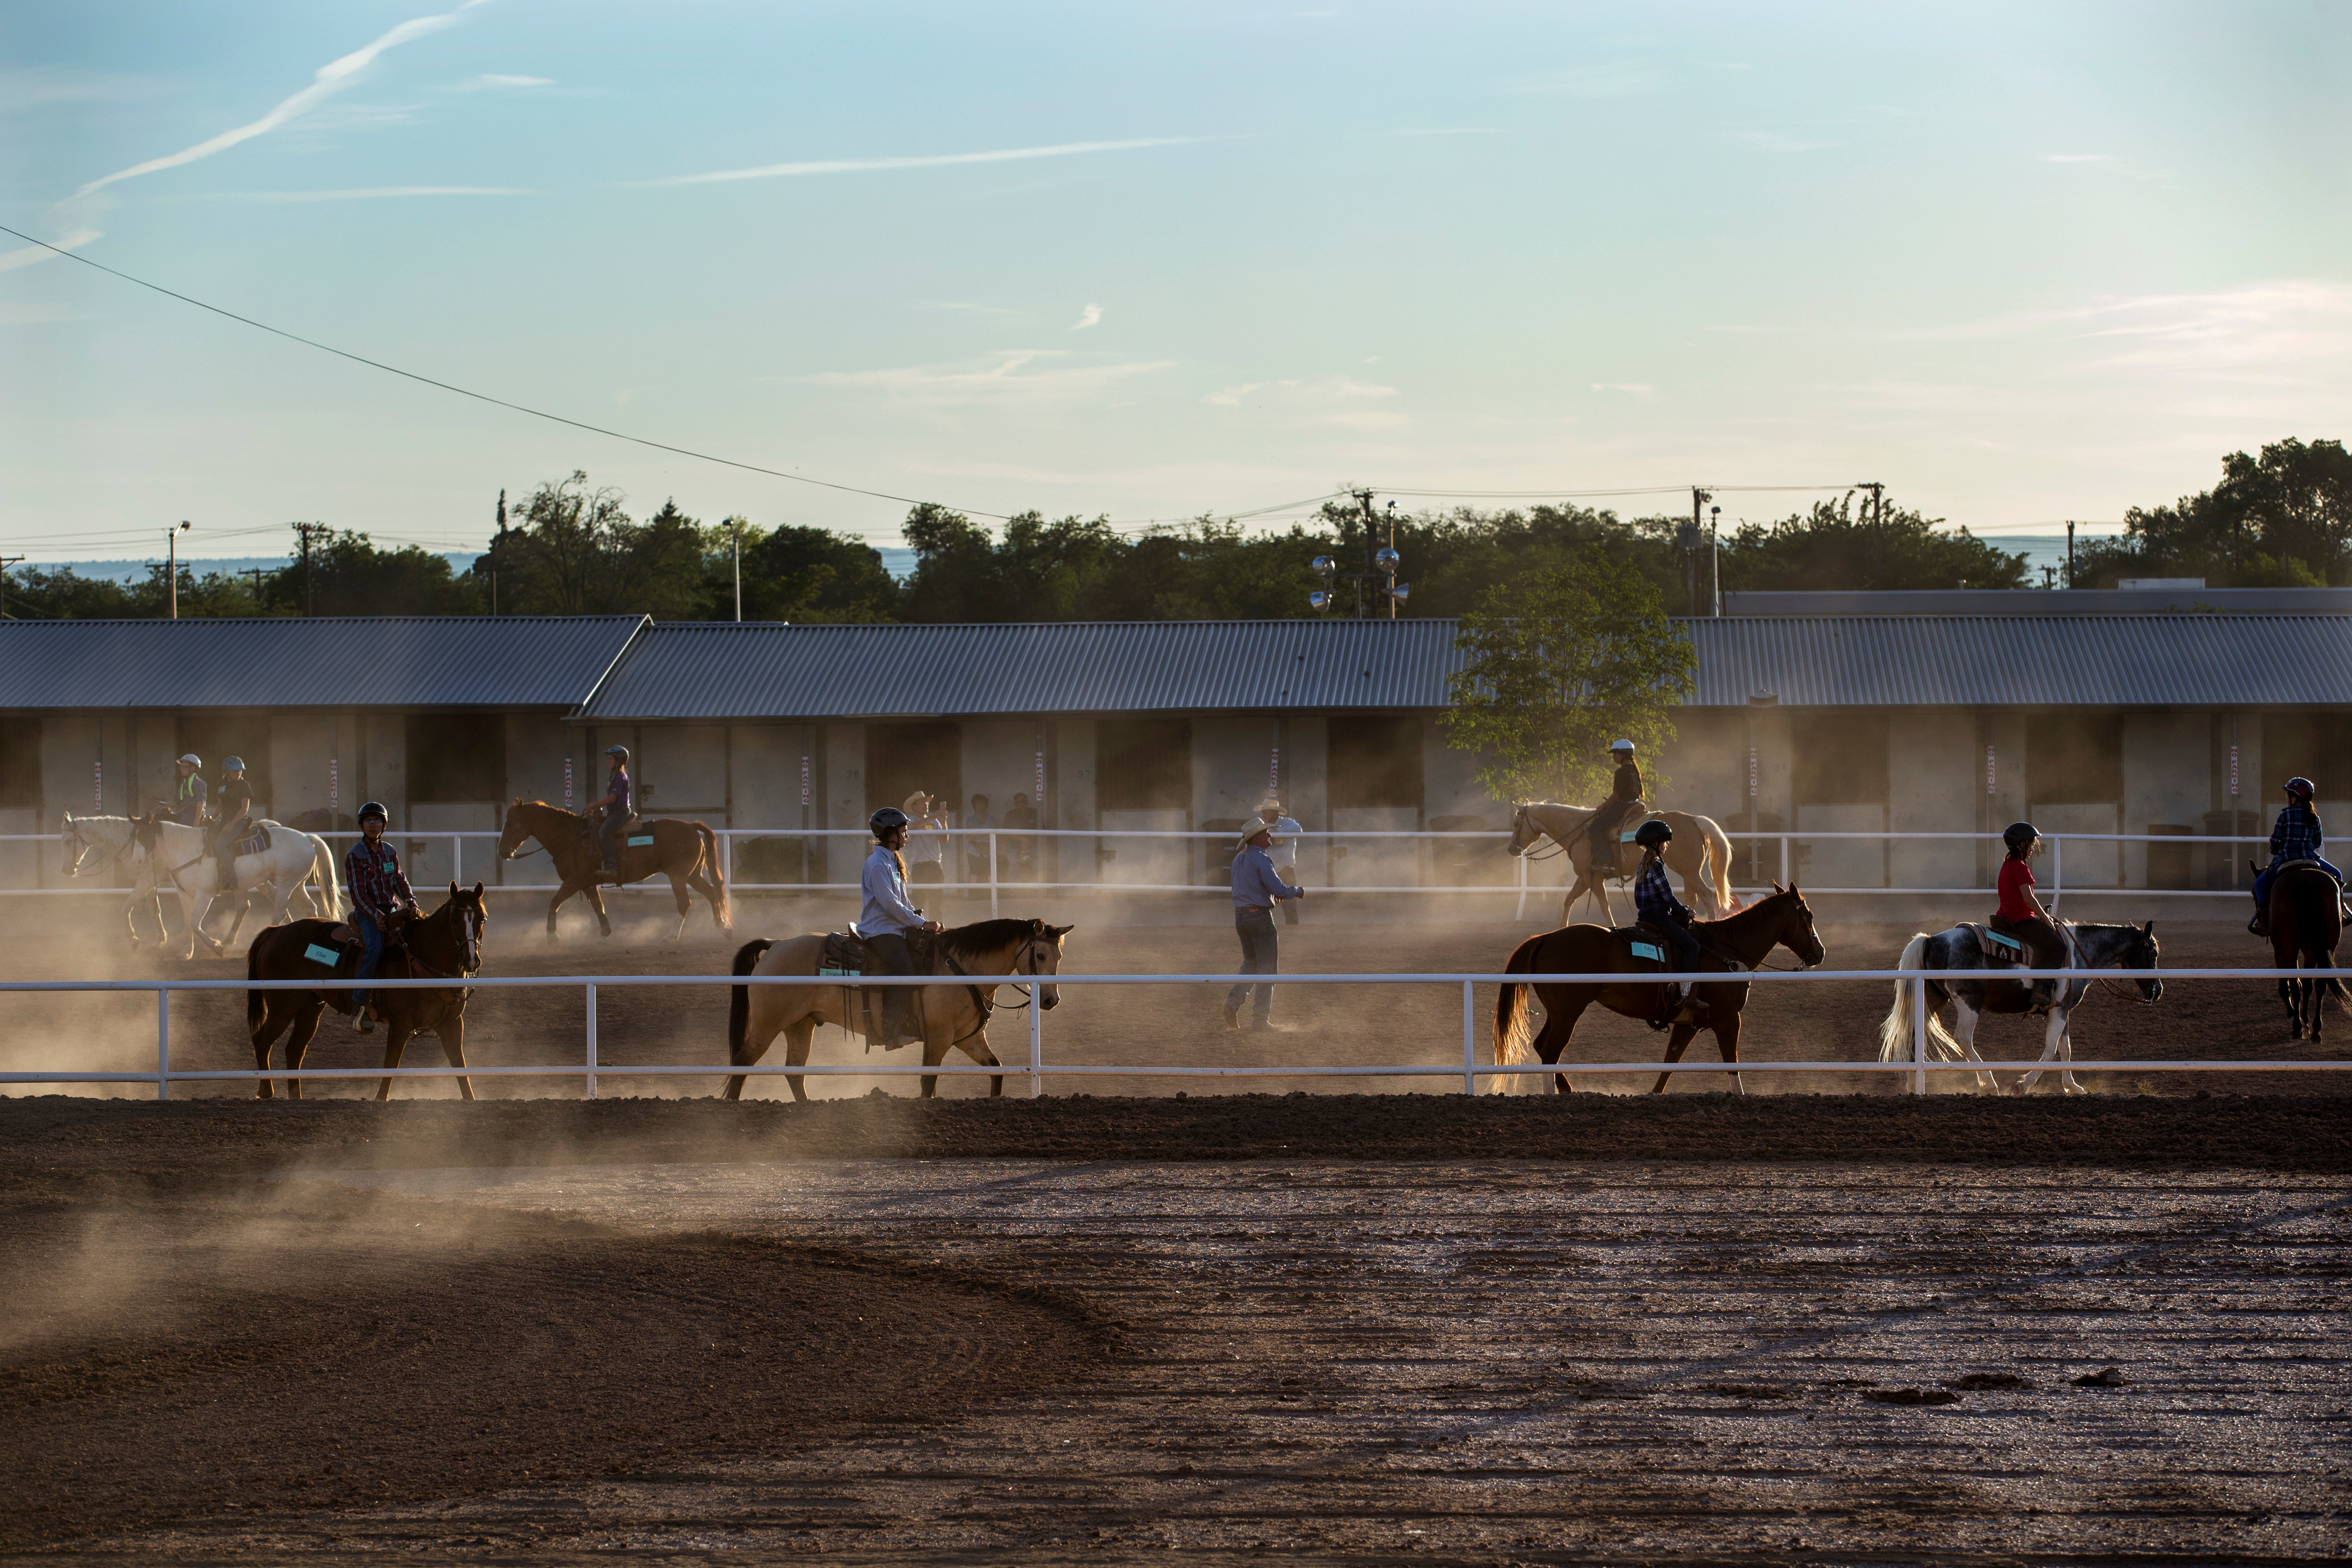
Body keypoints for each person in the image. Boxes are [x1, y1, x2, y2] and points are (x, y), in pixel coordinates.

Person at [860, 806, 941, 1044]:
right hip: (881, 931)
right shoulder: (878, 864)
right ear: (890, 834)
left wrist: (920, 921)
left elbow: (903, 901)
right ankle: (890, 1032)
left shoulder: (892, 862)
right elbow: (890, 905)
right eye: (904, 831)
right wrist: (921, 922)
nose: (907, 835)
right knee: (905, 970)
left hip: (893, 928)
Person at [345, 800, 418, 1033]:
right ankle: (358, 1004)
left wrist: (411, 901)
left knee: (414, 943)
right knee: (375, 949)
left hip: (391, 910)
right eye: (368, 821)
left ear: (384, 825)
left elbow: (399, 880)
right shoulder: (355, 856)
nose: (373, 825)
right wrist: (377, 914)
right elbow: (358, 894)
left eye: (377, 821)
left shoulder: (390, 851)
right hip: (368, 913)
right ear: (362, 825)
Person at [1225, 819, 1306, 1030]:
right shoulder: (1262, 859)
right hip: (1260, 917)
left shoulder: (1239, 859)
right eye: (1267, 833)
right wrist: (1297, 890)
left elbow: (1250, 886)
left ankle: (1233, 1003)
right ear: (1258, 837)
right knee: (1268, 969)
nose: (1270, 836)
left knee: (1250, 964)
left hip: (1241, 916)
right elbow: (1279, 889)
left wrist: (1269, 894)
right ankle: (1260, 1020)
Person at [1631, 819, 1703, 1023]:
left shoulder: (1642, 866)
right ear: (1657, 844)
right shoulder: (1658, 866)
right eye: (1664, 842)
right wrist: (1684, 911)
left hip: (1644, 918)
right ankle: (1686, 994)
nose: (1666, 846)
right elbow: (1668, 897)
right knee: (1692, 947)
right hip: (1660, 919)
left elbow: (1639, 898)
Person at [2250, 777, 2342, 936]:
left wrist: (2275, 850)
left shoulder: (2284, 816)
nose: (2286, 799)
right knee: (2338, 876)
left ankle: (2264, 921)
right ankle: (2341, 914)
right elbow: (2318, 842)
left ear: (2295, 797)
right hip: (2311, 858)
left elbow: (2275, 840)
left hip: (2285, 860)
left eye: (2288, 796)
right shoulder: (2314, 817)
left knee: (2258, 885)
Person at [1992, 821, 2067, 1009]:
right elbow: (2029, 899)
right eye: (2031, 844)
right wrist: (2045, 918)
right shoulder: (2020, 867)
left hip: (2007, 918)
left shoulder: (2007, 865)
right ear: (2022, 845)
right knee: (2059, 947)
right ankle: (2042, 989)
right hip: (2021, 921)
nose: (2033, 848)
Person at [1585, 741, 1644, 872]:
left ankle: (1606, 861)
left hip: (1622, 807)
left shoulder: (1621, 772)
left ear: (1624, 755)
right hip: (1634, 805)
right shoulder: (1634, 770)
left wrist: (1602, 806)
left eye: (1616, 754)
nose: (1614, 757)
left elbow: (1616, 795)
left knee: (1594, 828)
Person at [205, 755, 254, 887]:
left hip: (239, 821)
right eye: (235, 771)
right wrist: (212, 818)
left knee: (221, 844)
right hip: (224, 820)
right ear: (227, 772)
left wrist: (232, 824)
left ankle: (232, 880)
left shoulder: (244, 786)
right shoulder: (222, 785)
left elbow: (244, 809)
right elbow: (220, 805)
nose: (238, 774)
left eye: (240, 771)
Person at [1256, 795, 1306, 926]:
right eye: (1263, 811)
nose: (1263, 814)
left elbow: (1298, 831)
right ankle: (1263, 929)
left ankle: (1293, 932)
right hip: (1267, 870)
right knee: (1261, 902)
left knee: (1290, 905)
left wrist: (1275, 831)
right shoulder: (1260, 824)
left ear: (1275, 813)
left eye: (1266, 811)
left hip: (1285, 870)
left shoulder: (1288, 823)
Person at [588, 745, 632, 875]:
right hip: (615, 812)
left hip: (621, 812)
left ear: (619, 761)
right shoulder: (614, 775)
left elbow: (612, 799)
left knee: (603, 832)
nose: (608, 761)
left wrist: (594, 805)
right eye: (608, 758)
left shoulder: (621, 777)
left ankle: (612, 866)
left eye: (611, 759)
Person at [902, 791, 948, 894]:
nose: (926, 805)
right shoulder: (910, 820)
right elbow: (911, 827)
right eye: (922, 803)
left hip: (935, 864)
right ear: (914, 807)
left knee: (936, 899)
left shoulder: (935, 822)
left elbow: (945, 839)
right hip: (920, 866)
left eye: (927, 803)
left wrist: (944, 822)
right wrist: (934, 816)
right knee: (919, 899)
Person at [1001, 791, 1039, 883]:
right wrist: (1023, 840)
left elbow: (1041, 829)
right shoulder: (1010, 815)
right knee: (1013, 870)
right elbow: (1007, 832)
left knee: (1036, 869)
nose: (1023, 804)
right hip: (1015, 848)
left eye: (1025, 802)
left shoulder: (1035, 813)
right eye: (1020, 802)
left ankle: (1036, 894)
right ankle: (1013, 895)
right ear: (1015, 804)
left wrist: (1028, 841)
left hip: (1032, 847)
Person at [963, 793, 998, 887]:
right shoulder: (970, 819)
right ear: (974, 805)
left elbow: (993, 835)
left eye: (983, 804)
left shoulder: (992, 819)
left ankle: (991, 895)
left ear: (986, 806)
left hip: (989, 849)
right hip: (974, 849)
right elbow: (970, 836)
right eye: (978, 804)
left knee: (990, 871)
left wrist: (977, 835)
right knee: (974, 871)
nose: (981, 806)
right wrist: (985, 835)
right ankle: (972, 894)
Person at [171, 753, 207, 828]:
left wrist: (196, 822)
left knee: (178, 827)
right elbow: (176, 801)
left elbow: (201, 803)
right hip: (185, 811)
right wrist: (163, 807)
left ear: (193, 768)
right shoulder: (184, 783)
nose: (182, 769)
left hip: (194, 813)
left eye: (185, 767)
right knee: (168, 819)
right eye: (181, 767)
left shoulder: (198, 783)